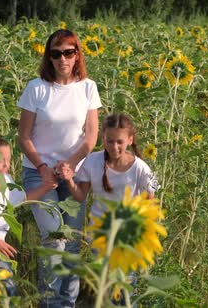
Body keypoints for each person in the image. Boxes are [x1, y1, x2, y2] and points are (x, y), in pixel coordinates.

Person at [17, 29, 101, 307]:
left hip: (75, 174)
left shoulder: (88, 87)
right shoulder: (36, 88)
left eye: (68, 52)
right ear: (49, 57)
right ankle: (50, 303)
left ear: (77, 55)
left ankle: (67, 302)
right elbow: (24, 136)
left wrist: (72, 164)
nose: (62, 58)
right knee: (54, 239)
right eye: (56, 53)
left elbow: (91, 137)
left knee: (74, 242)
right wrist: (42, 166)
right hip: (38, 173)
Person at [57, 113, 159, 305]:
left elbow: (151, 203)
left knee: (126, 286)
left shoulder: (142, 168)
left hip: (129, 237)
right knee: (105, 286)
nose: (114, 147)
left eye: (119, 142)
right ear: (103, 138)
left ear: (130, 140)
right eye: (109, 141)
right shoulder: (92, 162)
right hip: (100, 235)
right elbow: (80, 196)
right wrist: (69, 179)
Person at [0, 136, 56, 297]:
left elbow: (23, 198)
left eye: (8, 159)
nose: (7, 164)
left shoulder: (6, 180)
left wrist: (46, 187)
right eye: (1, 161)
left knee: (7, 292)